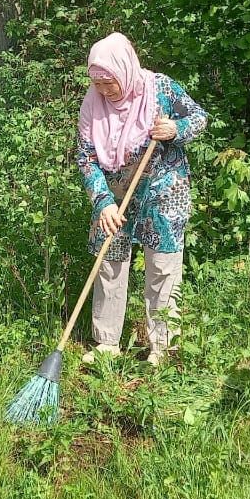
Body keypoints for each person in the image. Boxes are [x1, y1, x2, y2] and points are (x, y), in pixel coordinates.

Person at [75, 32, 208, 366]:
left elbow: (200, 118)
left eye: (110, 83)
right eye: (98, 83)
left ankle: (162, 346)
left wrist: (175, 129)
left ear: (125, 70)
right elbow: (86, 157)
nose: (104, 91)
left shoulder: (160, 88)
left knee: (162, 264)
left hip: (163, 188)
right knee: (110, 260)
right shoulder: (92, 103)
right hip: (115, 192)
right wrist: (102, 201)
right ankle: (107, 342)